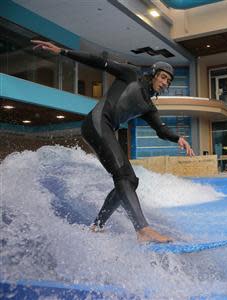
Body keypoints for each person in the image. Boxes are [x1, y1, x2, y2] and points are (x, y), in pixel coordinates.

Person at [31, 40, 195, 244]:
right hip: (96, 123)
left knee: (130, 181)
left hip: (106, 129)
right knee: (124, 175)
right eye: (163, 77)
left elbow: (160, 130)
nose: (165, 83)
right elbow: (99, 62)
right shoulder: (131, 74)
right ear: (154, 73)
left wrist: (178, 138)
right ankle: (142, 229)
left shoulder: (148, 106)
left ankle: (97, 226)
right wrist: (63, 51)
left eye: (169, 81)